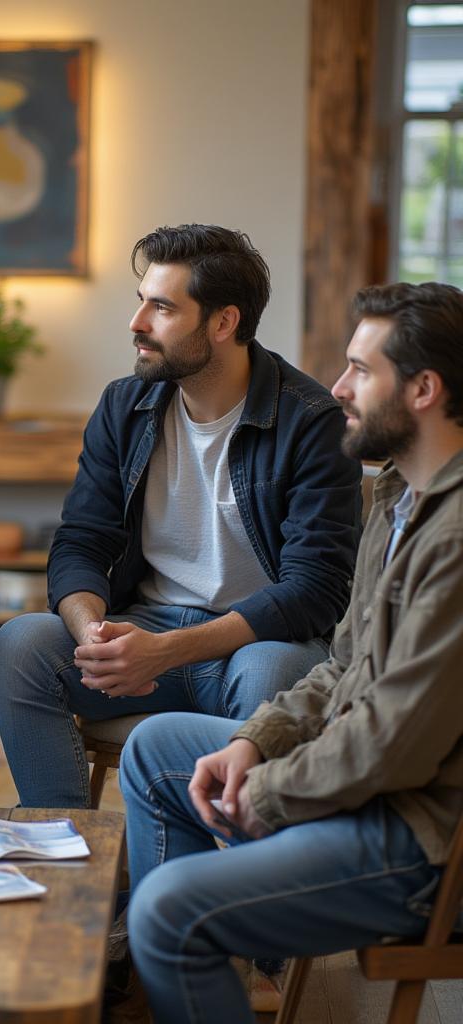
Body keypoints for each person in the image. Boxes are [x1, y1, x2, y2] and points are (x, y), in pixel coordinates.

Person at [119, 281, 463, 1023]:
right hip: (369, 786)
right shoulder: (399, 497)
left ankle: (184, 955)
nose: (338, 388)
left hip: (418, 838)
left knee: (169, 913)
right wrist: (258, 741)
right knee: (156, 749)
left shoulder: (457, 538)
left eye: (362, 372)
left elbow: (396, 744)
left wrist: (269, 796)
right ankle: (193, 980)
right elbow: (342, 663)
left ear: (425, 389)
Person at [0, 224, 362, 807]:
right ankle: (64, 847)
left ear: (222, 323)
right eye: (142, 301)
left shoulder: (311, 421)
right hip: (145, 627)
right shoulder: (125, 405)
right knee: (21, 644)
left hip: (252, 644)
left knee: (271, 674)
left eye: (161, 307)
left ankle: (231, 868)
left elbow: (316, 589)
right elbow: (81, 542)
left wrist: (168, 653)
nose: (137, 323)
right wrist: (97, 638)